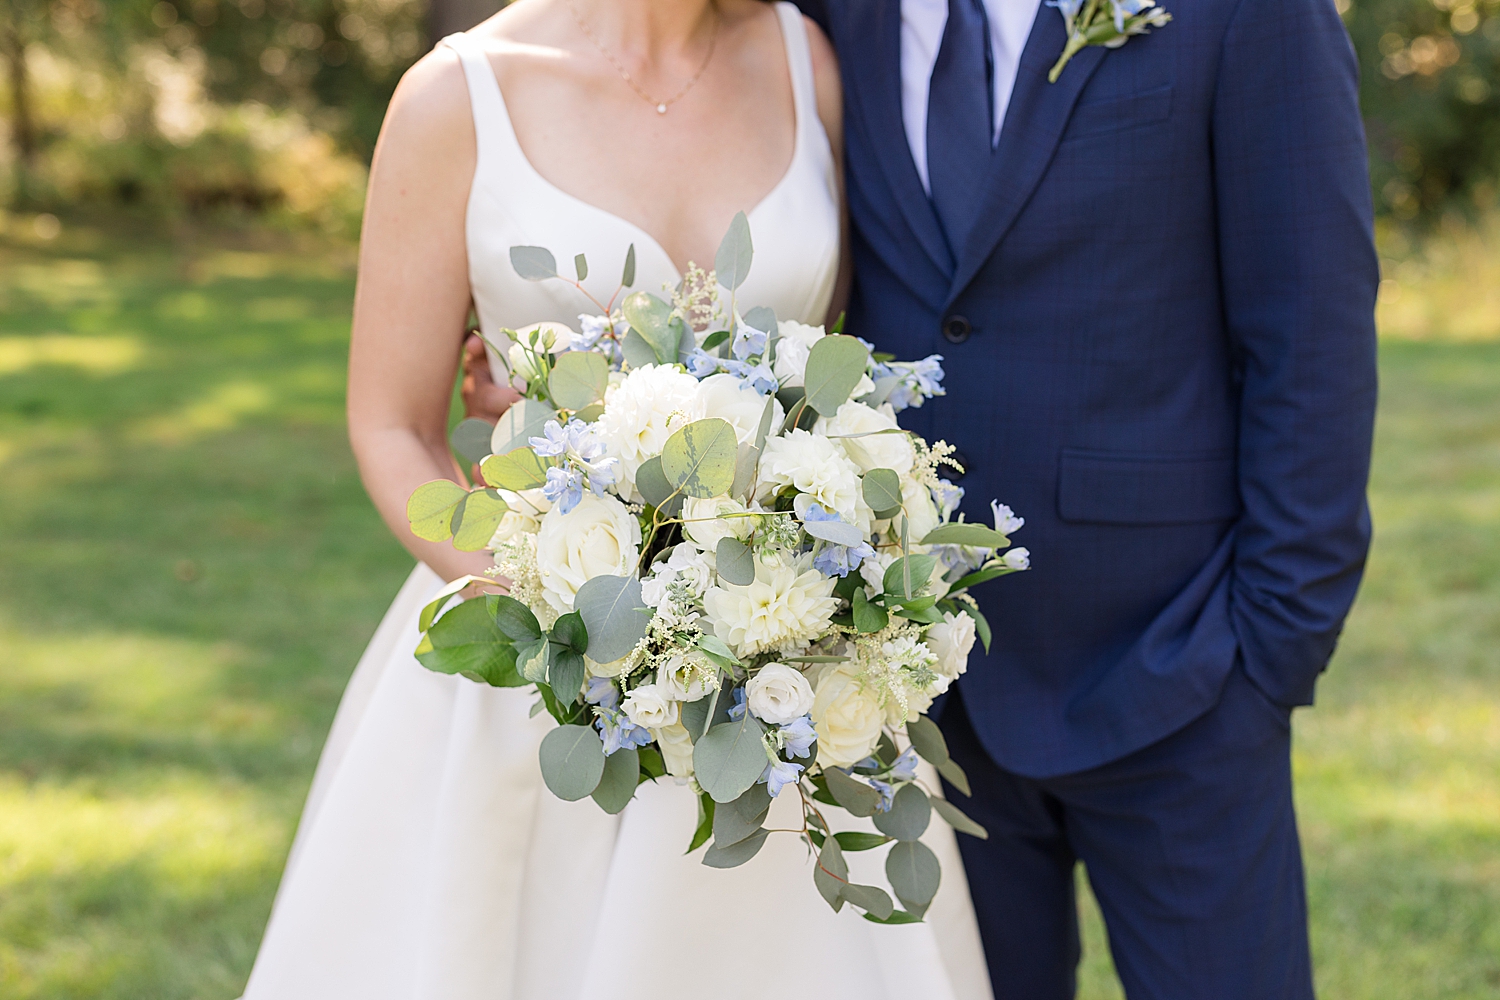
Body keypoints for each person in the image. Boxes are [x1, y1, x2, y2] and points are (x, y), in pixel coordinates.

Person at [462, 0, 1382, 997]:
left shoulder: (1249, 16)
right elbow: (783, 269)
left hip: (1178, 669)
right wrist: (581, 393)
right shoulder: (824, 22)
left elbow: (1310, 332)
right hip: (905, 701)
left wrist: (1270, 650)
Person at [240, 1, 994, 998]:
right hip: (534, 659)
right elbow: (396, 429)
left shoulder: (800, 59)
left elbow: (815, 365)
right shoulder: (460, 94)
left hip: (780, 669)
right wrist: (558, 613)